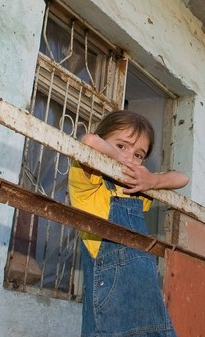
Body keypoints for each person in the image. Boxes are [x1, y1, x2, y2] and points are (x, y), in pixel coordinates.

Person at [68, 110, 189, 337]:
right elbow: (89, 141)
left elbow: (182, 178)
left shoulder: (135, 188)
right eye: (121, 146)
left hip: (146, 297)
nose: (129, 159)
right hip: (111, 300)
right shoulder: (88, 181)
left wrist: (153, 180)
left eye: (138, 155)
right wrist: (118, 157)